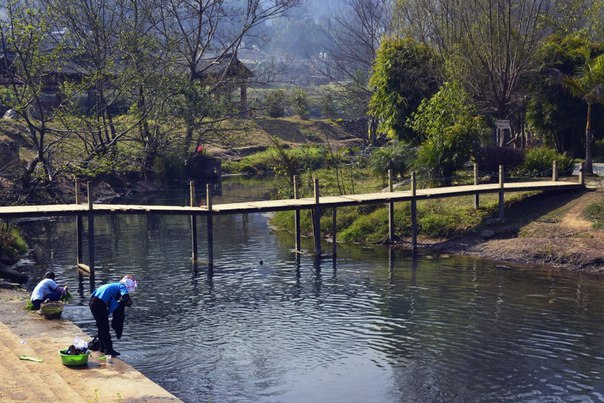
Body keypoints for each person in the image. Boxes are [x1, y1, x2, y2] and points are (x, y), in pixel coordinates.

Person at [89, 275, 137, 357]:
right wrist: (128, 302)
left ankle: (102, 347)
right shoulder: (122, 286)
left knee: (101, 326)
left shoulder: (115, 285)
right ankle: (109, 350)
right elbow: (125, 297)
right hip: (98, 303)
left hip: (94, 301)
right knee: (104, 327)